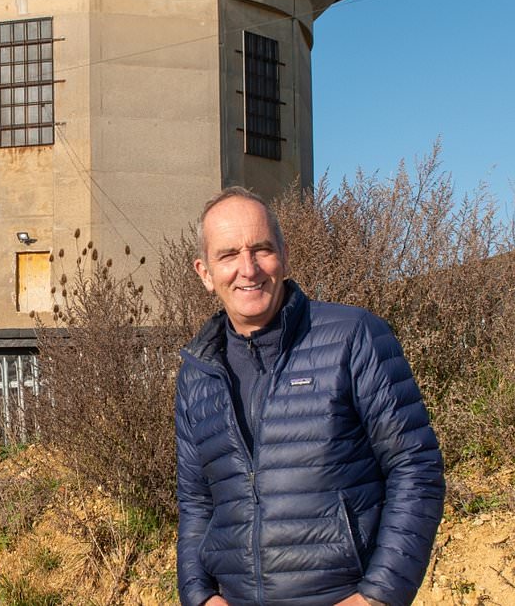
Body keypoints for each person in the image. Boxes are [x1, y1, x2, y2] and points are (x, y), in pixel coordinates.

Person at [176, 188, 445, 606]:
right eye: (228, 255)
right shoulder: (197, 373)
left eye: (261, 249)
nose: (248, 269)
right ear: (205, 272)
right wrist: (198, 596)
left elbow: (416, 468)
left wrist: (378, 596)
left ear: (283, 255)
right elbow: (196, 503)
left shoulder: (353, 337)